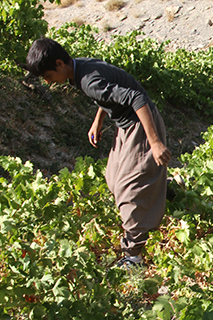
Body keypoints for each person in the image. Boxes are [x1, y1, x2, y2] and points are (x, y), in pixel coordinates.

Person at [25, 38, 171, 268]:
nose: (48, 82)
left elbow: (137, 98)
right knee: (113, 178)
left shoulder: (87, 79)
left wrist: (154, 143)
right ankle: (167, 187)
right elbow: (107, 95)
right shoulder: (78, 69)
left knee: (128, 191)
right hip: (125, 123)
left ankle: (134, 256)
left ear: (60, 64)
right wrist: (97, 122)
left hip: (141, 123)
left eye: (48, 76)